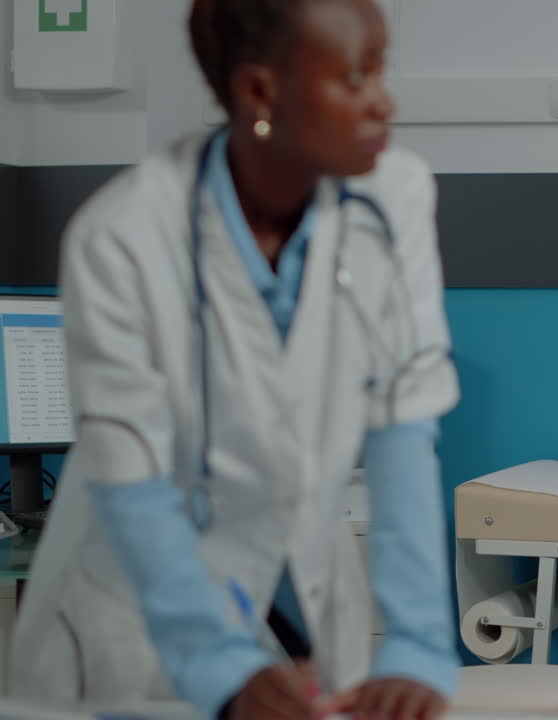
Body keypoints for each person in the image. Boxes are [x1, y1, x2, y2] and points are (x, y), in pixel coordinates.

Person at [8, 1, 461, 719]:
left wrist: (418, 642)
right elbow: (134, 484)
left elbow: (402, 431)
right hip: (141, 629)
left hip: (308, 604)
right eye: (355, 77)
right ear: (258, 89)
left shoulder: (393, 197)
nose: (385, 102)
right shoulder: (121, 237)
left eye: (382, 71)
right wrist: (220, 664)